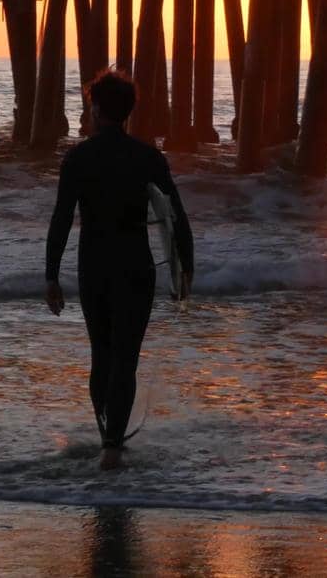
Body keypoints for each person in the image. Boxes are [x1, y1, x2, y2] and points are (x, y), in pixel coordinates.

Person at [45, 69, 193, 472]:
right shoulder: (148, 157)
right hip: (135, 265)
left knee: (102, 355)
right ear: (128, 111)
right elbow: (176, 217)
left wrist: (51, 275)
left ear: (95, 108)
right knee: (126, 358)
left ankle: (107, 436)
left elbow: (61, 219)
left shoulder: (78, 158)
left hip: (94, 265)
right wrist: (185, 270)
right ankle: (112, 446)